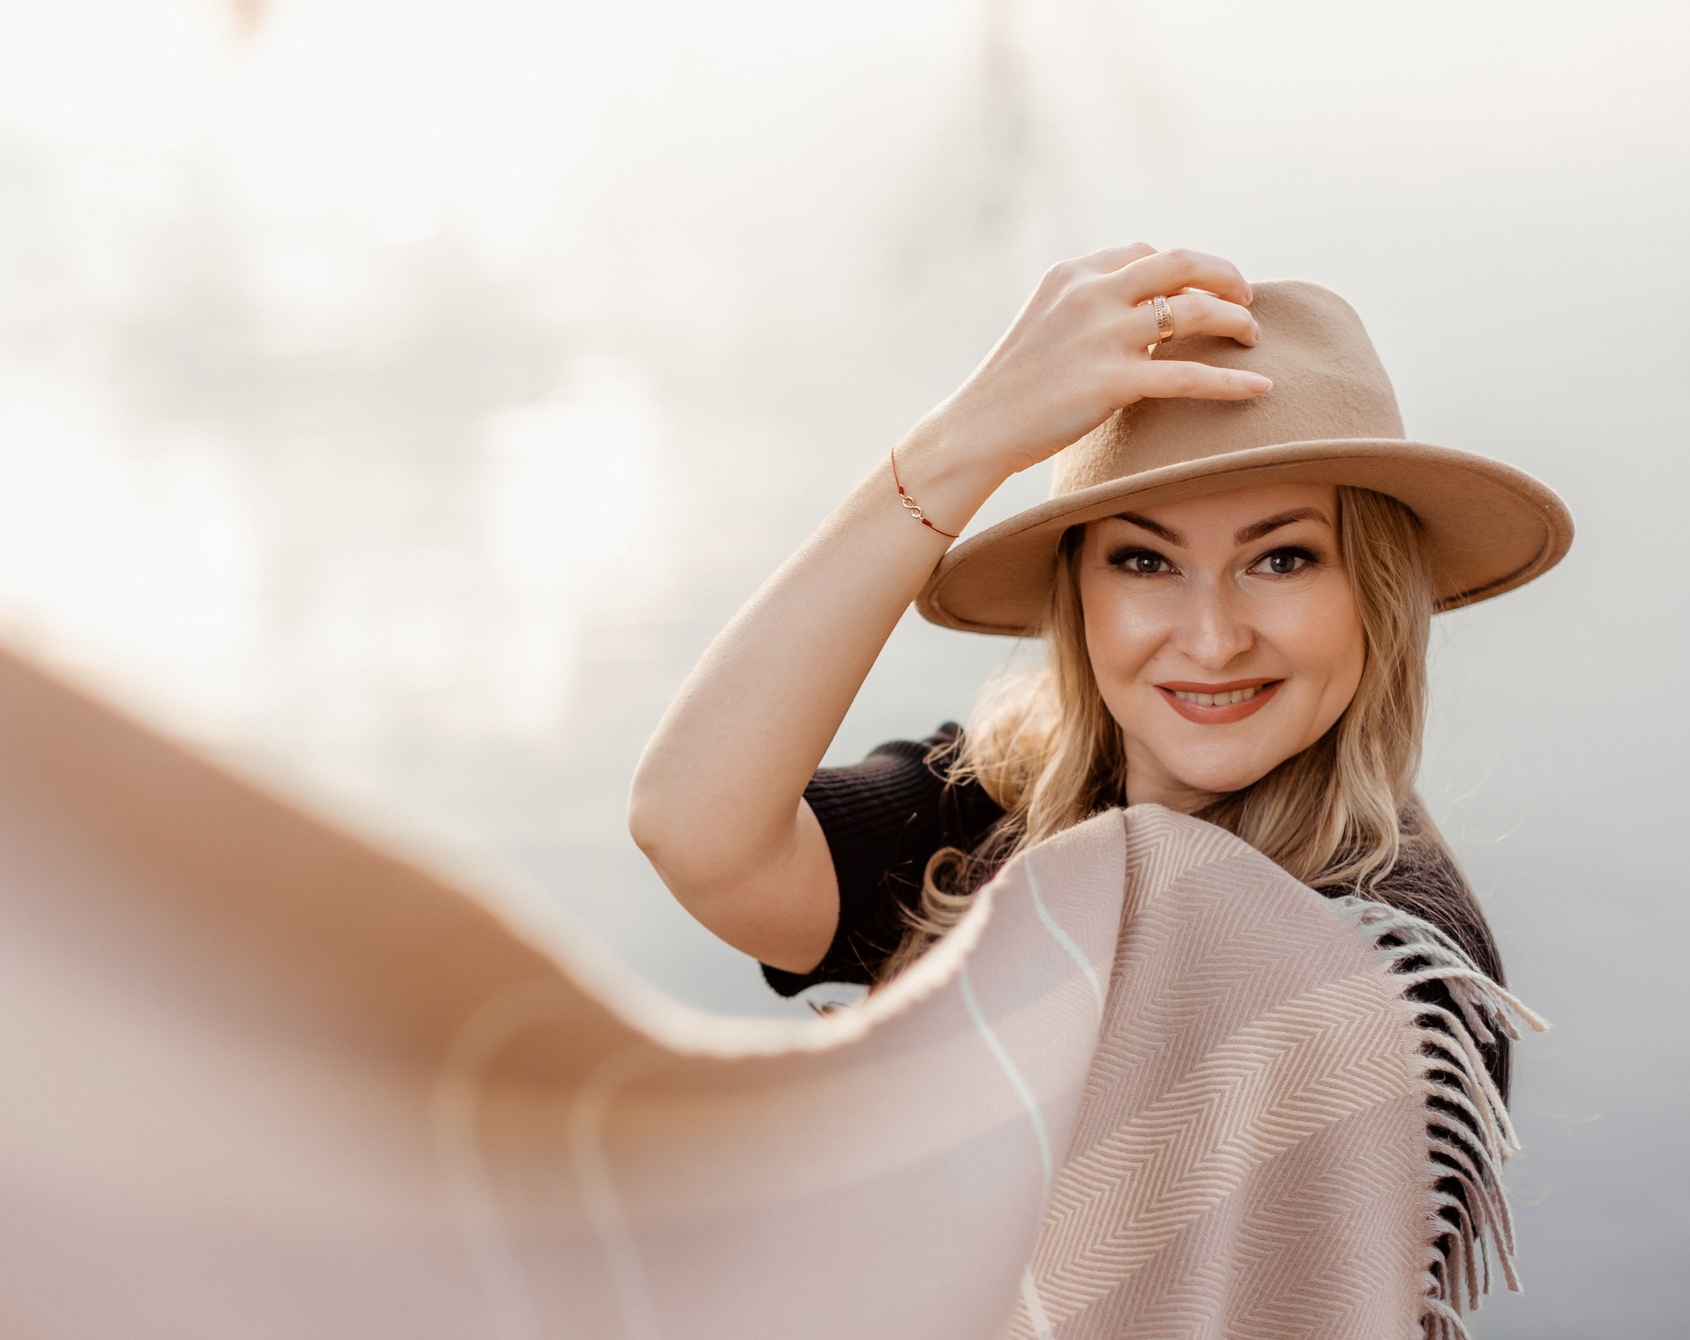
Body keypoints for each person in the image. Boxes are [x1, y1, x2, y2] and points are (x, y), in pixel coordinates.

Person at [629, 245, 1571, 1098]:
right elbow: (693, 827)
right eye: (1144, 561)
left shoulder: (1386, 955)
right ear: (1076, 595)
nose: (1211, 640)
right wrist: (962, 441)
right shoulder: (998, 796)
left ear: (1375, 592)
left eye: (1281, 558)